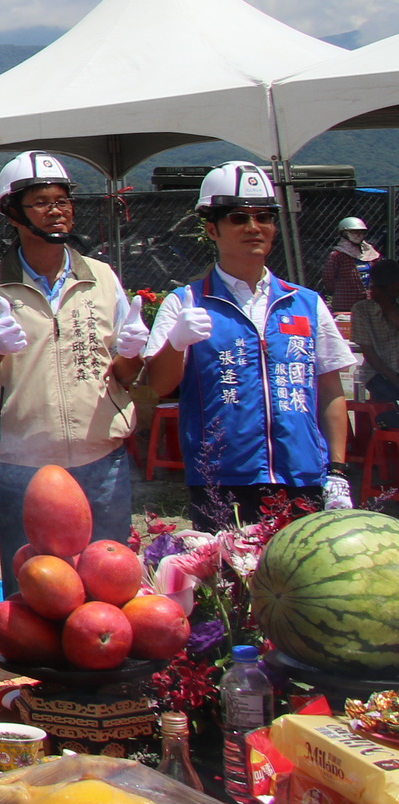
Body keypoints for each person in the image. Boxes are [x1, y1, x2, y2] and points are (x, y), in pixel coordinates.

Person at [0, 152, 156, 595]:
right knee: (32, 590)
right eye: (42, 202)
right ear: (13, 214)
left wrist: (133, 353)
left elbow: (124, 375)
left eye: (63, 201)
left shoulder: (102, 277)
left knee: (110, 587)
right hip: (22, 464)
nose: (57, 211)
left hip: (99, 458)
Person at [148, 162, 356, 529]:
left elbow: (329, 389)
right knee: (229, 584)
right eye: (239, 218)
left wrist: (336, 471)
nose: (253, 227)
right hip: (223, 482)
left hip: (303, 476)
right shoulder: (186, 303)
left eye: (264, 216)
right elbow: (155, 387)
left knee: (300, 584)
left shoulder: (305, 303)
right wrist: (176, 344)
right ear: (212, 228)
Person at [348, 257, 399, 403]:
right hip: (378, 373)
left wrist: (388, 308)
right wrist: (394, 379)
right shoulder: (363, 309)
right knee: (385, 395)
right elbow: (368, 352)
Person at [319, 216, 380, 316]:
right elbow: (328, 278)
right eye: (353, 232)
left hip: (370, 302)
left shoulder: (371, 253)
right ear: (344, 234)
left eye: (361, 232)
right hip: (346, 304)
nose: (358, 235)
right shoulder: (337, 255)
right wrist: (341, 292)